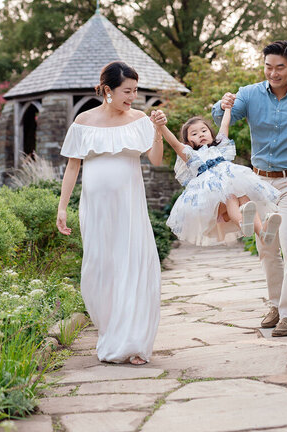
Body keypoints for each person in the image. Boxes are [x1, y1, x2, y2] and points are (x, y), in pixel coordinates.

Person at [212, 40, 287, 336]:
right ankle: (276, 306)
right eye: (268, 66)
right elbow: (222, 119)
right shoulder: (250, 94)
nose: (273, 73)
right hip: (258, 182)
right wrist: (222, 104)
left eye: (280, 67)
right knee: (267, 249)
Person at [56, 61, 166, 365]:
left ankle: (133, 344)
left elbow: (155, 160)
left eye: (135, 91)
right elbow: (73, 166)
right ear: (108, 90)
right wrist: (63, 206)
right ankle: (110, 333)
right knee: (100, 270)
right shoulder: (84, 120)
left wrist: (157, 130)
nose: (132, 97)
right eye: (126, 91)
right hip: (96, 208)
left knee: (132, 266)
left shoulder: (140, 119)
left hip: (130, 208)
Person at [151, 106, 281, 247]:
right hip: (211, 199)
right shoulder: (191, 155)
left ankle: (262, 233)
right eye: (194, 134)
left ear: (211, 133)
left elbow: (224, 124)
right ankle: (243, 223)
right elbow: (174, 144)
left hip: (230, 188)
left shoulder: (220, 147)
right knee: (230, 197)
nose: (200, 135)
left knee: (245, 198)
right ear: (187, 142)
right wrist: (161, 126)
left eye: (204, 131)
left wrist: (228, 109)